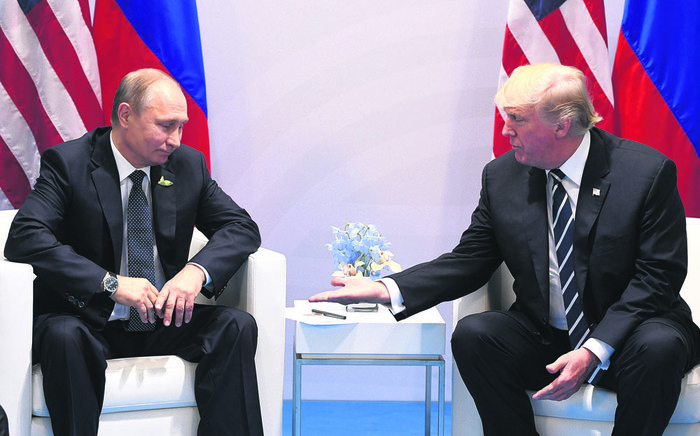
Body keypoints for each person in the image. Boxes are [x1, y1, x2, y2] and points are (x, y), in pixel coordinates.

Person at [310, 63, 700, 436]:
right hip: (548, 335)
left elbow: (657, 276)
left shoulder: (645, 173)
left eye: (518, 118)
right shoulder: (503, 176)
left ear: (562, 125)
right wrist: (386, 289)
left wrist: (595, 349)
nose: (505, 129)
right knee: (476, 334)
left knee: (658, 346)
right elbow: (471, 259)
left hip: (631, 332)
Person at [4, 68, 263, 436]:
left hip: (159, 319)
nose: (175, 139)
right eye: (165, 125)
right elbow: (25, 236)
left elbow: (241, 228)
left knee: (235, 326)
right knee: (63, 335)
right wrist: (109, 283)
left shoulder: (187, 165)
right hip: (86, 319)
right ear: (126, 116)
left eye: (181, 127)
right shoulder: (70, 163)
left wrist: (195, 272)